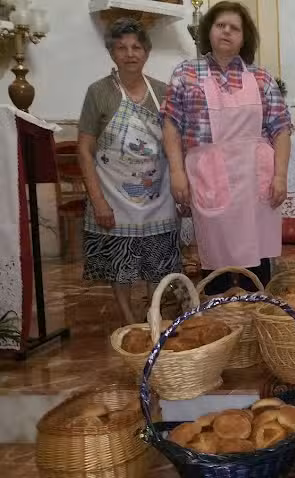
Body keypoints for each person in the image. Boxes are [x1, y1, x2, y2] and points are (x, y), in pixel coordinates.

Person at [161, 1, 291, 295]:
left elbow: (281, 130)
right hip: (209, 175)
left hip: (254, 177)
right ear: (209, 30)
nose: (227, 32)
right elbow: (171, 126)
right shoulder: (186, 74)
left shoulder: (261, 78)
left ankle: (258, 314)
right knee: (215, 255)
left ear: (244, 38)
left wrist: (280, 176)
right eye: (221, 25)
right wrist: (177, 171)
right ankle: (221, 320)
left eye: (235, 28)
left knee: (256, 256)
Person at [77, 18, 181, 325]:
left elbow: (174, 145)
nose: (130, 53)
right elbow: (84, 150)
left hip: (157, 196)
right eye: (121, 47)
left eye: (136, 47)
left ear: (146, 52)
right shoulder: (98, 93)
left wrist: (179, 185)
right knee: (119, 265)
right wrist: (98, 201)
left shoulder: (162, 91)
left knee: (158, 264)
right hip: (114, 197)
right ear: (111, 53)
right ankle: (127, 320)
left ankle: (154, 317)